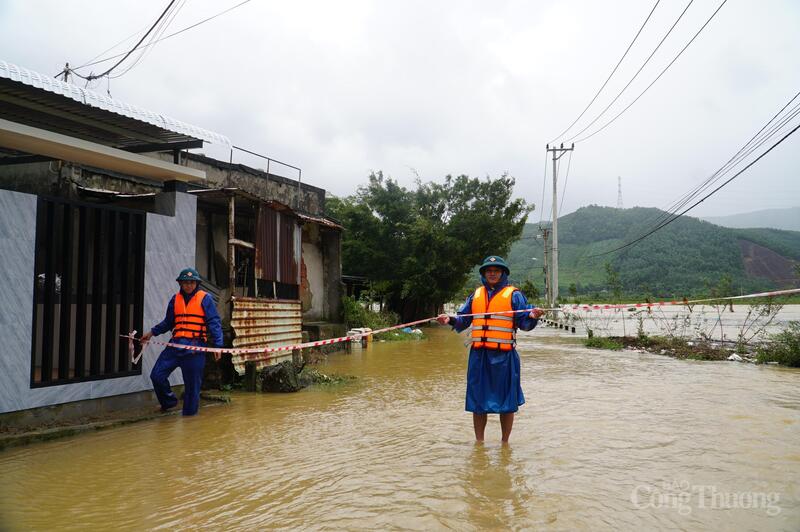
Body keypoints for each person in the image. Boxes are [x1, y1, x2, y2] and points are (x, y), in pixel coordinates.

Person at [437, 255, 544, 443]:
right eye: (489, 271)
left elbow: (525, 324)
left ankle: (505, 443)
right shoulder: (475, 295)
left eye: (496, 270)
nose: (492, 273)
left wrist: (533, 316)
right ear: (484, 274)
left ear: (502, 273)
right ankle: (479, 443)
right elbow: (463, 320)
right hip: (479, 356)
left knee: (507, 401)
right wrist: (450, 320)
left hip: (505, 357)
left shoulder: (514, 295)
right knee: (478, 401)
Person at [141, 268, 223, 416]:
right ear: (180, 284)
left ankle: (189, 421)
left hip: (195, 348)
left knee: (192, 387)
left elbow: (214, 323)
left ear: (197, 283)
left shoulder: (206, 298)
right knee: (157, 375)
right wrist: (151, 333)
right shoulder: (175, 299)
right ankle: (169, 402)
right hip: (175, 345)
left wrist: (217, 346)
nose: (188, 286)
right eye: (185, 283)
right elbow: (168, 322)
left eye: (192, 282)